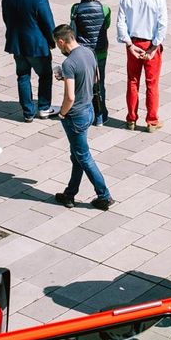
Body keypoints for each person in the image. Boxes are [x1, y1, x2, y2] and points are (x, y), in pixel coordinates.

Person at [52, 24, 114, 210]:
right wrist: (68, 78)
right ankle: (70, 193)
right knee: (77, 154)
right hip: (89, 110)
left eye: (58, 44)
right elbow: (94, 79)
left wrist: (62, 114)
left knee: (83, 156)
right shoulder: (88, 52)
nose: (59, 47)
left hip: (75, 115)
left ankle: (104, 195)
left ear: (62, 41)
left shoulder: (68, 63)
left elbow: (69, 97)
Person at [2, 0, 56, 122]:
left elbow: (6, 15)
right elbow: (47, 21)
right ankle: (44, 107)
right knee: (45, 74)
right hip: (36, 44)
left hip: (17, 42)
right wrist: (52, 41)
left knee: (23, 75)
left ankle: (27, 111)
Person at [116, 0, 167, 132]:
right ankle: (151, 120)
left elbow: (121, 23)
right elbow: (162, 25)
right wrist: (154, 47)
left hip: (134, 42)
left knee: (132, 81)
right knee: (152, 83)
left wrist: (129, 44)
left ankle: (131, 118)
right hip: (150, 43)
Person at [70, 0, 110, 127]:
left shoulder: (76, 8)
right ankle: (100, 116)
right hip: (99, 51)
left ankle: (84, 114)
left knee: (83, 84)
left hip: (82, 52)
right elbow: (106, 25)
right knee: (100, 83)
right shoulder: (104, 8)